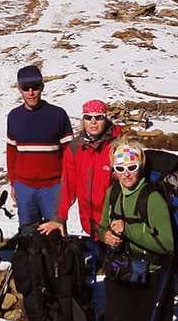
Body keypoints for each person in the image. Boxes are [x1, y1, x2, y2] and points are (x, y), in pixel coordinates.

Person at [96, 139, 178, 321]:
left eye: (131, 167)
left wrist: (128, 231)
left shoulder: (152, 198)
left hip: (155, 275)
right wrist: (105, 236)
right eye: (120, 169)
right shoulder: (113, 193)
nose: (126, 174)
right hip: (128, 272)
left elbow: (167, 243)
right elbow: (102, 225)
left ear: (140, 166)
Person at [41, 99, 122, 239]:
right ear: (83, 120)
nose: (93, 122)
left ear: (106, 118)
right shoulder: (74, 148)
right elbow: (68, 186)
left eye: (99, 117)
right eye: (88, 117)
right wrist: (58, 217)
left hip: (116, 224)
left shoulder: (119, 145)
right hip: (90, 223)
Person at [5, 65, 72, 227]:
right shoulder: (14, 116)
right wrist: (13, 183)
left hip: (53, 187)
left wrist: (67, 185)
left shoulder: (58, 114)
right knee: (28, 236)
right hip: (24, 188)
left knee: (56, 235)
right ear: (19, 89)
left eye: (35, 87)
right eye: (25, 88)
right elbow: (11, 153)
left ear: (42, 86)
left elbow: (69, 154)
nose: (31, 92)